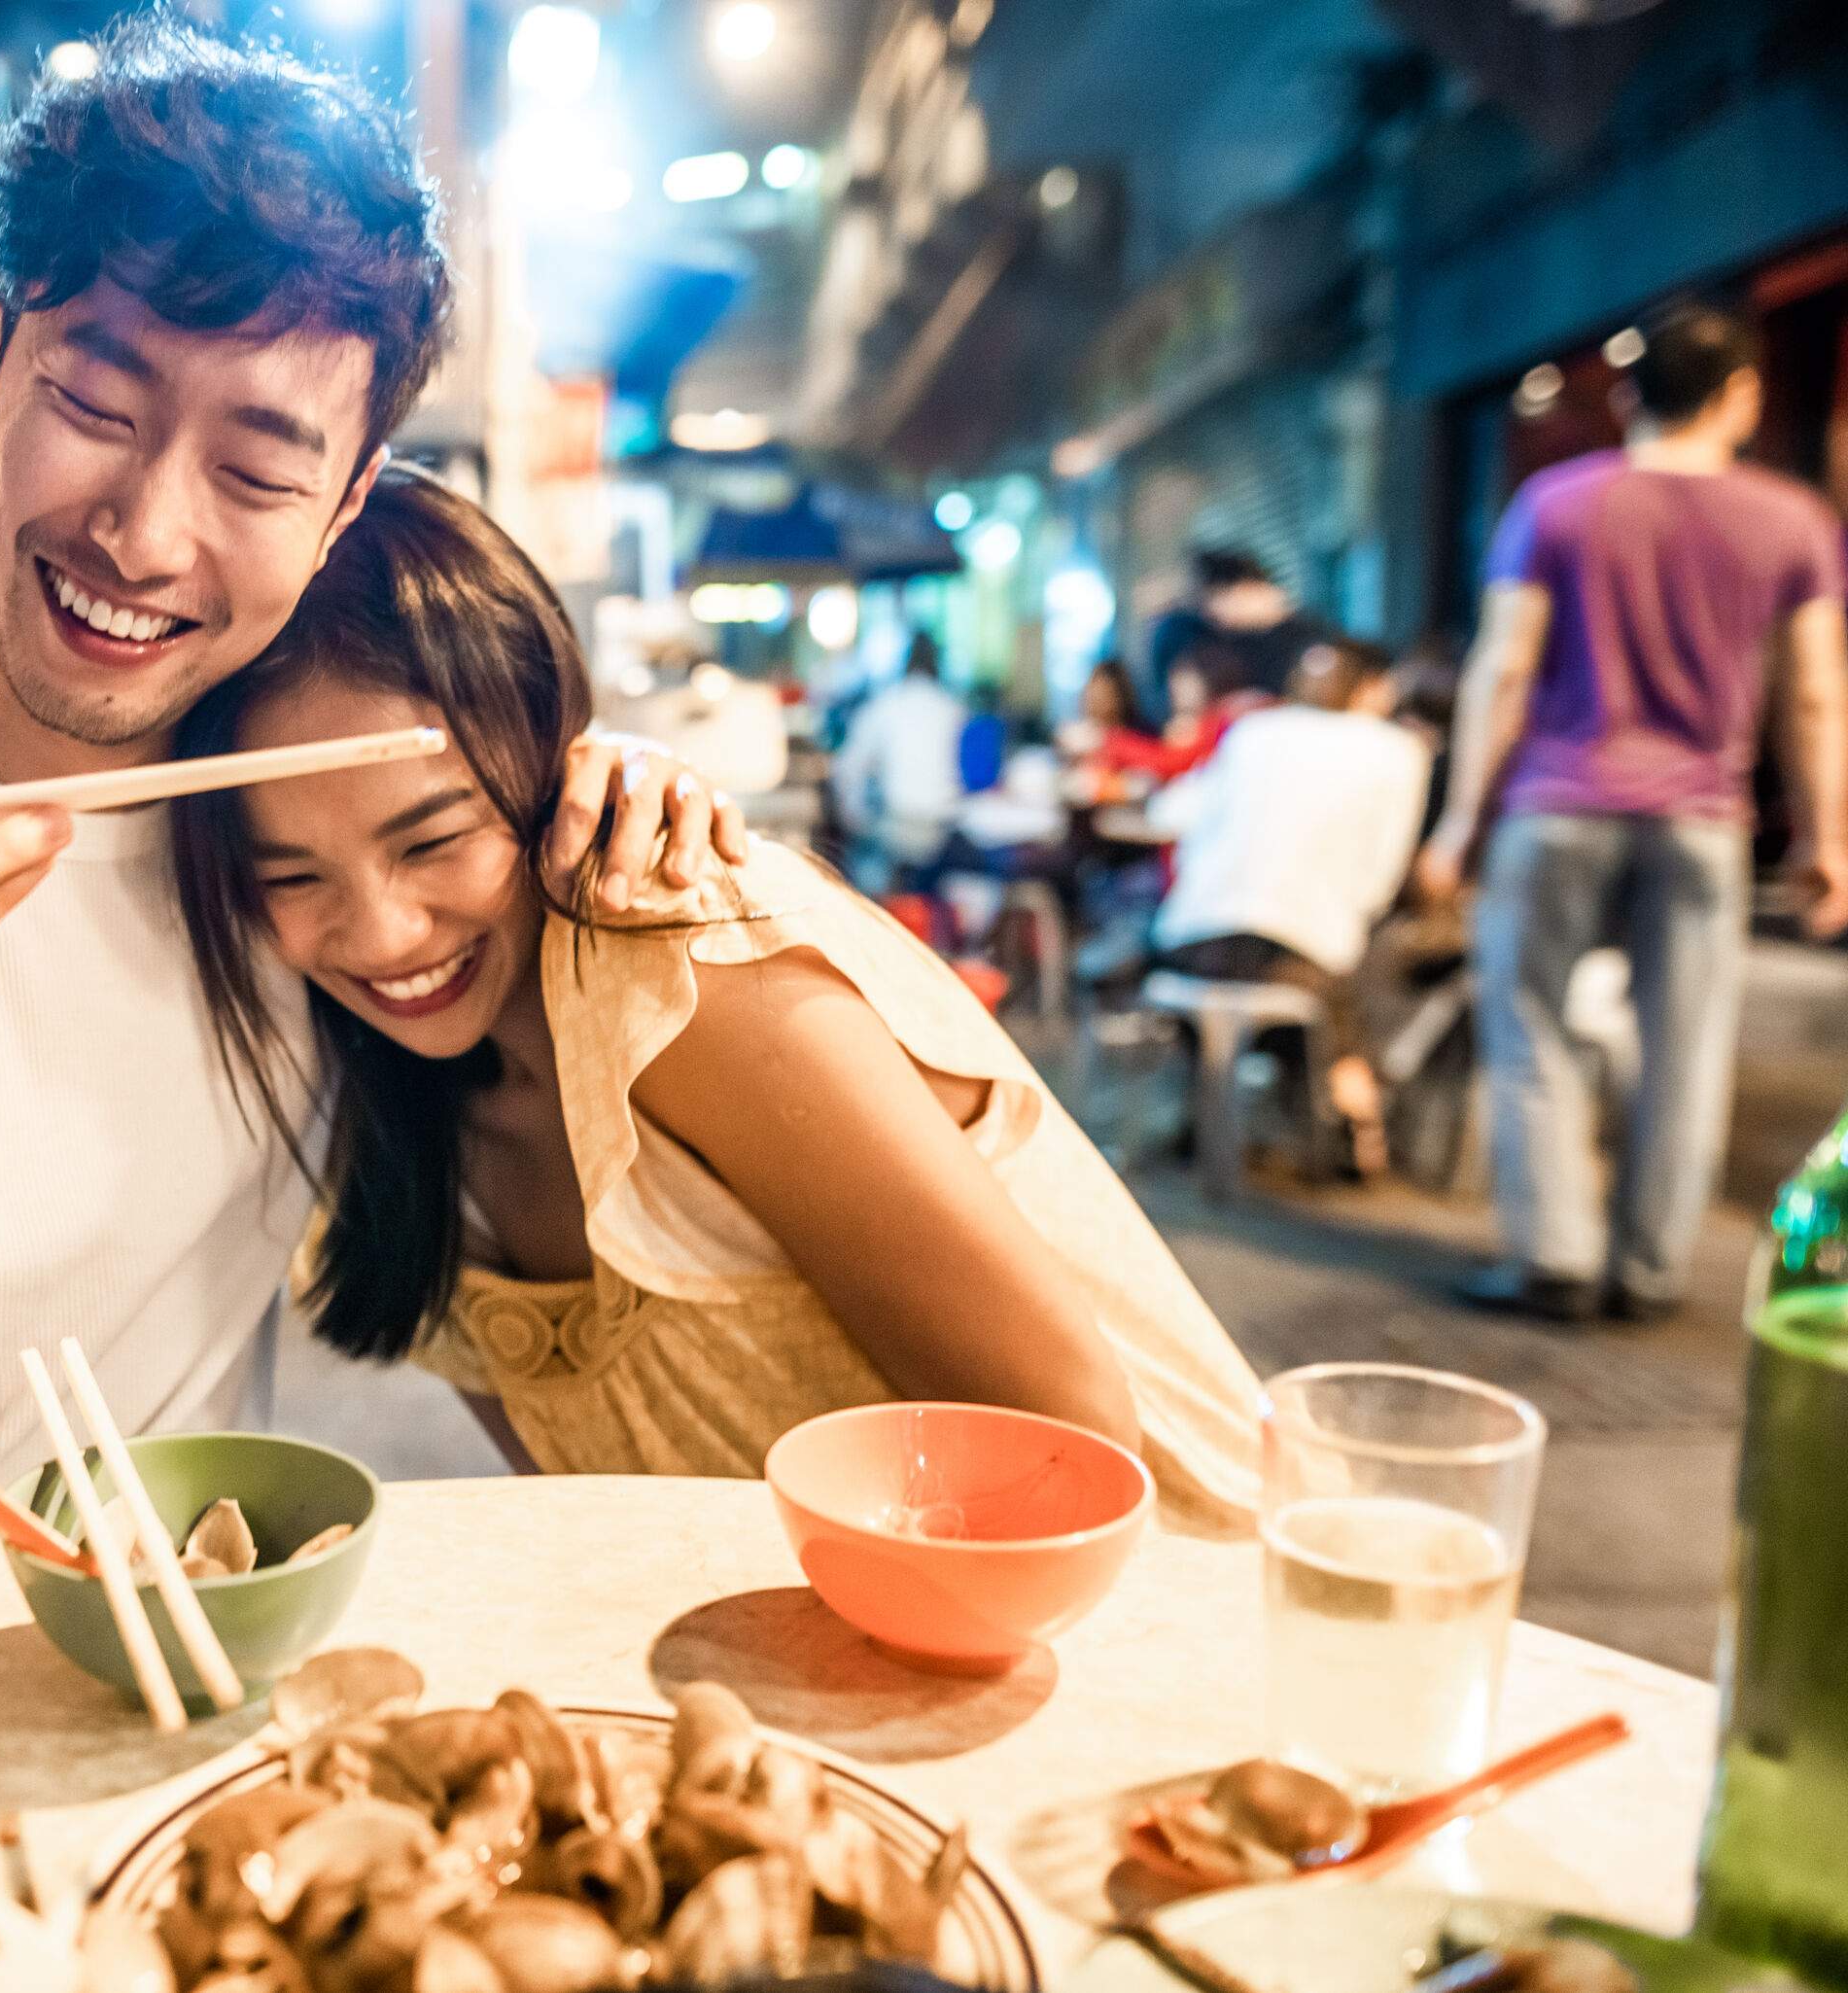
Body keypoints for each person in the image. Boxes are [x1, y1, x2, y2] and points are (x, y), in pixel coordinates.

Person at [0, 19, 741, 1601]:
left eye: (254, 471)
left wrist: (614, 780)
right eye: (96, 405)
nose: (146, 535)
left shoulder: (303, 834)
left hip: (177, 1670)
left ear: (347, 504)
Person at [168, 470, 1264, 1520]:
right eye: (290, 877)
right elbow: (612, 1510)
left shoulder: (685, 971)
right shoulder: (366, 1097)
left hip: (1166, 1625)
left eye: (436, 840)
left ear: (556, 763)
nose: (383, 935)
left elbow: (1066, 1447)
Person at [1416, 300, 1848, 1322]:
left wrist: (1459, 820)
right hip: (1703, 818)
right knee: (1687, 1045)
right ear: (1742, 393)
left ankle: (1555, 1255)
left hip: (1556, 805)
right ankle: (1650, 1268)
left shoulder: (1557, 504)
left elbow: (1504, 669)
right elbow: (1817, 691)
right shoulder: (1794, 521)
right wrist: (1829, 838)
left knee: (1531, 1027)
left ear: (1623, 393)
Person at [1146, 639, 1432, 1173]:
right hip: (1301, 956)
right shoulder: (1397, 750)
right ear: (1373, 689)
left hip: (1189, 944)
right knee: (1356, 991)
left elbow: (1174, 814)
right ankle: (1353, 1142)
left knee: (1240, 992)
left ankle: (1205, 1123)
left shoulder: (1253, 733)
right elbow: (1380, 879)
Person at [828, 630, 966, 884]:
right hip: (946, 830)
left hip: (895, 828)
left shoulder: (885, 704)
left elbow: (848, 768)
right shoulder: (954, 708)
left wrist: (853, 816)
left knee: (859, 878)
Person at [1146, 547, 1329, 704]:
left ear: (1247, 587)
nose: (1211, 613)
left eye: (1214, 597)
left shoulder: (1308, 639)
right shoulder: (1200, 635)